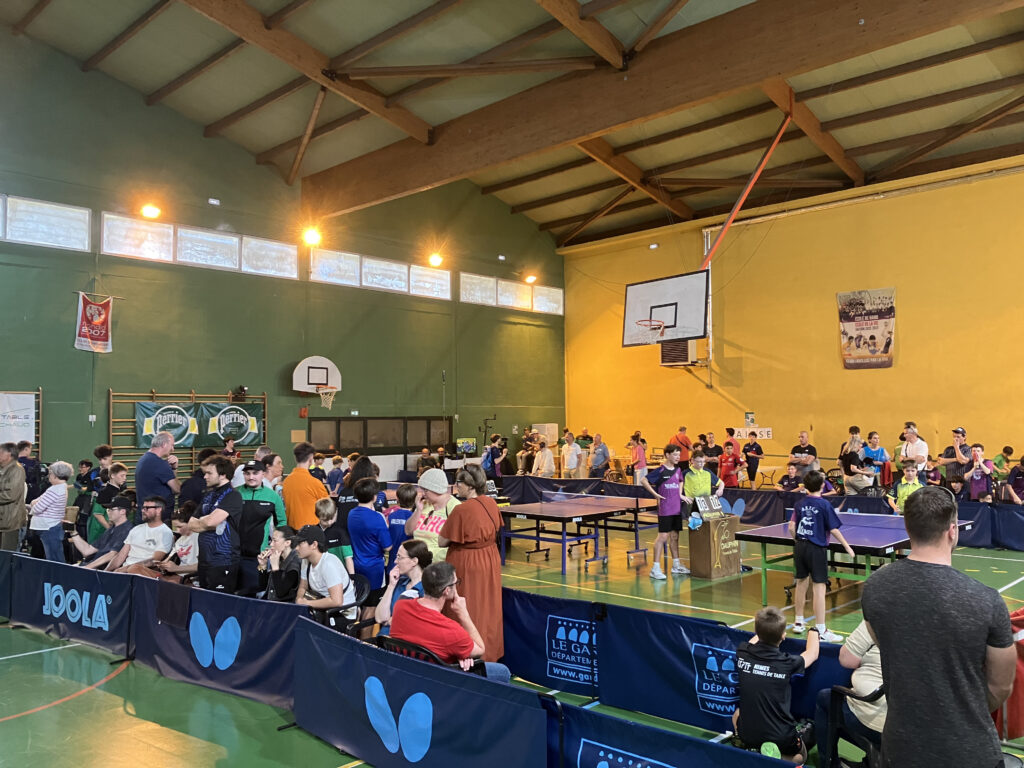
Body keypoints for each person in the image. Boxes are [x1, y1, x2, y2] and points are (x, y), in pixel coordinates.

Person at [861, 486, 1015, 768]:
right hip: (969, 753)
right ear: (952, 531)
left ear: (907, 529)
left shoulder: (874, 588)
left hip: (900, 750)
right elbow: (1001, 686)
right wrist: (959, 710)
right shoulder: (987, 600)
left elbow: (887, 644)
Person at [389, 561, 511, 682]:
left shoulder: (400, 606)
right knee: (503, 671)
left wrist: (459, 655)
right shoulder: (451, 631)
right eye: (456, 583)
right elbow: (480, 649)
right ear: (447, 590)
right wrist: (463, 614)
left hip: (404, 673)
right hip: (436, 679)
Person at [733, 605, 821, 762]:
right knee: (804, 749)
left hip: (748, 734)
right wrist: (814, 631)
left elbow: (755, 640)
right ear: (783, 636)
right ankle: (784, 760)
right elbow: (812, 653)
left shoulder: (743, 652)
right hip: (781, 738)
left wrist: (764, 629)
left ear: (756, 631)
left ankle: (751, 748)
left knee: (736, 714)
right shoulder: (787, 663)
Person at [439, 464, 504, 661]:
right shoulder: (491, 503)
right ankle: (489, 653)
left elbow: (442, 541)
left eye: (458, 482)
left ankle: (466, 654)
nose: (456, 486)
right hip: (490, 559)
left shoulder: (461, 510)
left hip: (468, 563)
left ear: (469, 485)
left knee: (466, 607)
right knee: (488, 608)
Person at [790, 470, 854, 643]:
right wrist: (847, 547)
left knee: (801, 583)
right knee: (819, 588)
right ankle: (821, 630)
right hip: (816, 549)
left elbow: (791, 527)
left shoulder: (799, 503)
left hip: (800, 546)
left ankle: (798, 622)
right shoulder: (824, 505)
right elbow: (833, 529)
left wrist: (798, 540)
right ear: (821, 486)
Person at [813, 619, 885, 768]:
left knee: (825, 698)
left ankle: (830, 764)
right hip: (919, 724)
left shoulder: (876, 618)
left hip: (879, 721)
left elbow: (847, 659)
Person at [188, 455, 244, 592]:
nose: (205, 477)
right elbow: (191, 524)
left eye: (209, 473)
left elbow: (211, 522)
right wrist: (207, 521)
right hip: (204, 560)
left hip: (223, 560)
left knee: (220, 602)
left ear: (223, 475)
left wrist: (205, 521)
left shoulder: (232, 495)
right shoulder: (208, 496)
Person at [236, 459, 286, 596]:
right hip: (233, 554)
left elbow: (282, 523)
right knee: (232, 594)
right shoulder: (235, 493)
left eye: (255, 473)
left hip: (258, 557)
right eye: (247, 473)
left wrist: (274, 546)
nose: (251, 477)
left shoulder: (272, 496)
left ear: (263, 474)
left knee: (254, 593)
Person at [642, 444, 689, 580]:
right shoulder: (660, 470)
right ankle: (655, 568)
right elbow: (643, 480)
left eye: (679, 455)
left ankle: (676, 565)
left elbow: (680, 481)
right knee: (662, 537)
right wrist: (655, 494)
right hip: (666, 509)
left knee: (674, 536)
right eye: (675, 454)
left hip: (676, 508)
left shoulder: (678, 470)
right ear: (667, 455)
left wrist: (679, 494)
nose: (678, 457)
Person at [347, 477, 392, 617]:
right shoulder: (377, 518)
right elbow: (388, 547)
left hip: (357, 565)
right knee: (371, 608)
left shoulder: (351, 514)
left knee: (361, 603)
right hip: (374, 569)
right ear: (374, 497)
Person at [293, 524, 356, 620]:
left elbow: (337, 601)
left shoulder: (329, 564)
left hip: (342, 613)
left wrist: (307, 603)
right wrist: (299, 600)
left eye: (300, 544)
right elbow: (303, 587)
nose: (296, 548)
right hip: (322, 608)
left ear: (314, 545)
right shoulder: (306, 561)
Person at [376, 539, 431, 636]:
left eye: (399, 557)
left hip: (404, 641)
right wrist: (391, 586)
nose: (395, 561)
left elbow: (418, 625)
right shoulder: (398, 582)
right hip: (384, 639)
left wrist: (393, 620)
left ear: (414, 561)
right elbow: (380, 618)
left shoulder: (428, 589)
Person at [105, 496, 175, 571]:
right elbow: (120, 556)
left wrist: (125, 569)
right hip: (125, 570)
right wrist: (105, 572)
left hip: (143, 572)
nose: (142, 510)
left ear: (158, 510)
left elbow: (154, 561)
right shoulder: (136, 529)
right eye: (143, 508)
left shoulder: (165, 532)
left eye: (147, 508)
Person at [405, 468, 458, 562]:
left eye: (426, 490)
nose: (422, 494)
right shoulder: (424, 504)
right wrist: (418, 510)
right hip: (418, 562)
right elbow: (408, 531)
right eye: (422, 489)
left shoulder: (455, 507)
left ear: (436, 489)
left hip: (438, 564)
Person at [70, 495, 134, 568]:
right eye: (107, 509)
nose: (108, 512)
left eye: (111, 509)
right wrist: (73, 532)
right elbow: (87, 551)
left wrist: (87, 567)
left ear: (122, 511)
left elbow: (112, 554)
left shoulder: (127, 530)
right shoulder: (111, 529)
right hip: (92, 566)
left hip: (101, 569)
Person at [29, 460, 72, 563]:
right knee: (53, 556)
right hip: (50, 526)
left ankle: (56, 574)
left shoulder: (55, 490)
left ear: (56, 475)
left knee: (54, 559)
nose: (49, 476)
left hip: (48, 527)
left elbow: (37, 508)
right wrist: (34, 503)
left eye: (50, 473)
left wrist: (33, 505)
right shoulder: (58, 488)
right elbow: (35, 502)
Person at [135, 431, 180, 523]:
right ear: (164, 444)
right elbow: (177, 489)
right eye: (172, 445)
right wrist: (174, 468)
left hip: (145, 514)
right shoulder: (160, 464)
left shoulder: (143, 459)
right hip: (157, 518)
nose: (172, 449)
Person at [149, 501, 201, 582]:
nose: (178, 531)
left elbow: (202, 566)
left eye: (180, 527)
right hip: (177, 576)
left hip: (190, 579)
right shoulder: (180, 541)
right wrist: (162, 565)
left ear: (190, 523)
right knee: (136, 568)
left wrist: (176, 568)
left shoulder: (198, 537)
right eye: (175, 527)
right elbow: (167, 560)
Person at [282, 441, 328, 529]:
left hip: (291, 530)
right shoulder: (315, 483)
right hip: (311, 530)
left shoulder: (286, 482)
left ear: (296, 458)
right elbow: (328, 509)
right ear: (311, 459)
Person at [258, 524, 300, 601]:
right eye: (271, 540)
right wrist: (263, 566)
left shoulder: (295, 563)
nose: (271, 544)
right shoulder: (279, 557)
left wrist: (275, 567)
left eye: (275, 541)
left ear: (287, 543)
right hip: (269, 601)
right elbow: (263, 586)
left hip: (284, 605)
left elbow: (281, 592)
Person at [0, 443, 28, 551]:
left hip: (10, 521)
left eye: (1, 452)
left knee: (5, 554)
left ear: (10, 454)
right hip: (3, 520)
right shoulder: (3, 468)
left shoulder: (17, 470)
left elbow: (11, 494)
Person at [386, 483, 416, 570]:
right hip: (409, 565)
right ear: (414, 500)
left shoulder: (391, 516)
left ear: (397, 499)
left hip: (392, 563)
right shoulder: (415, 518)